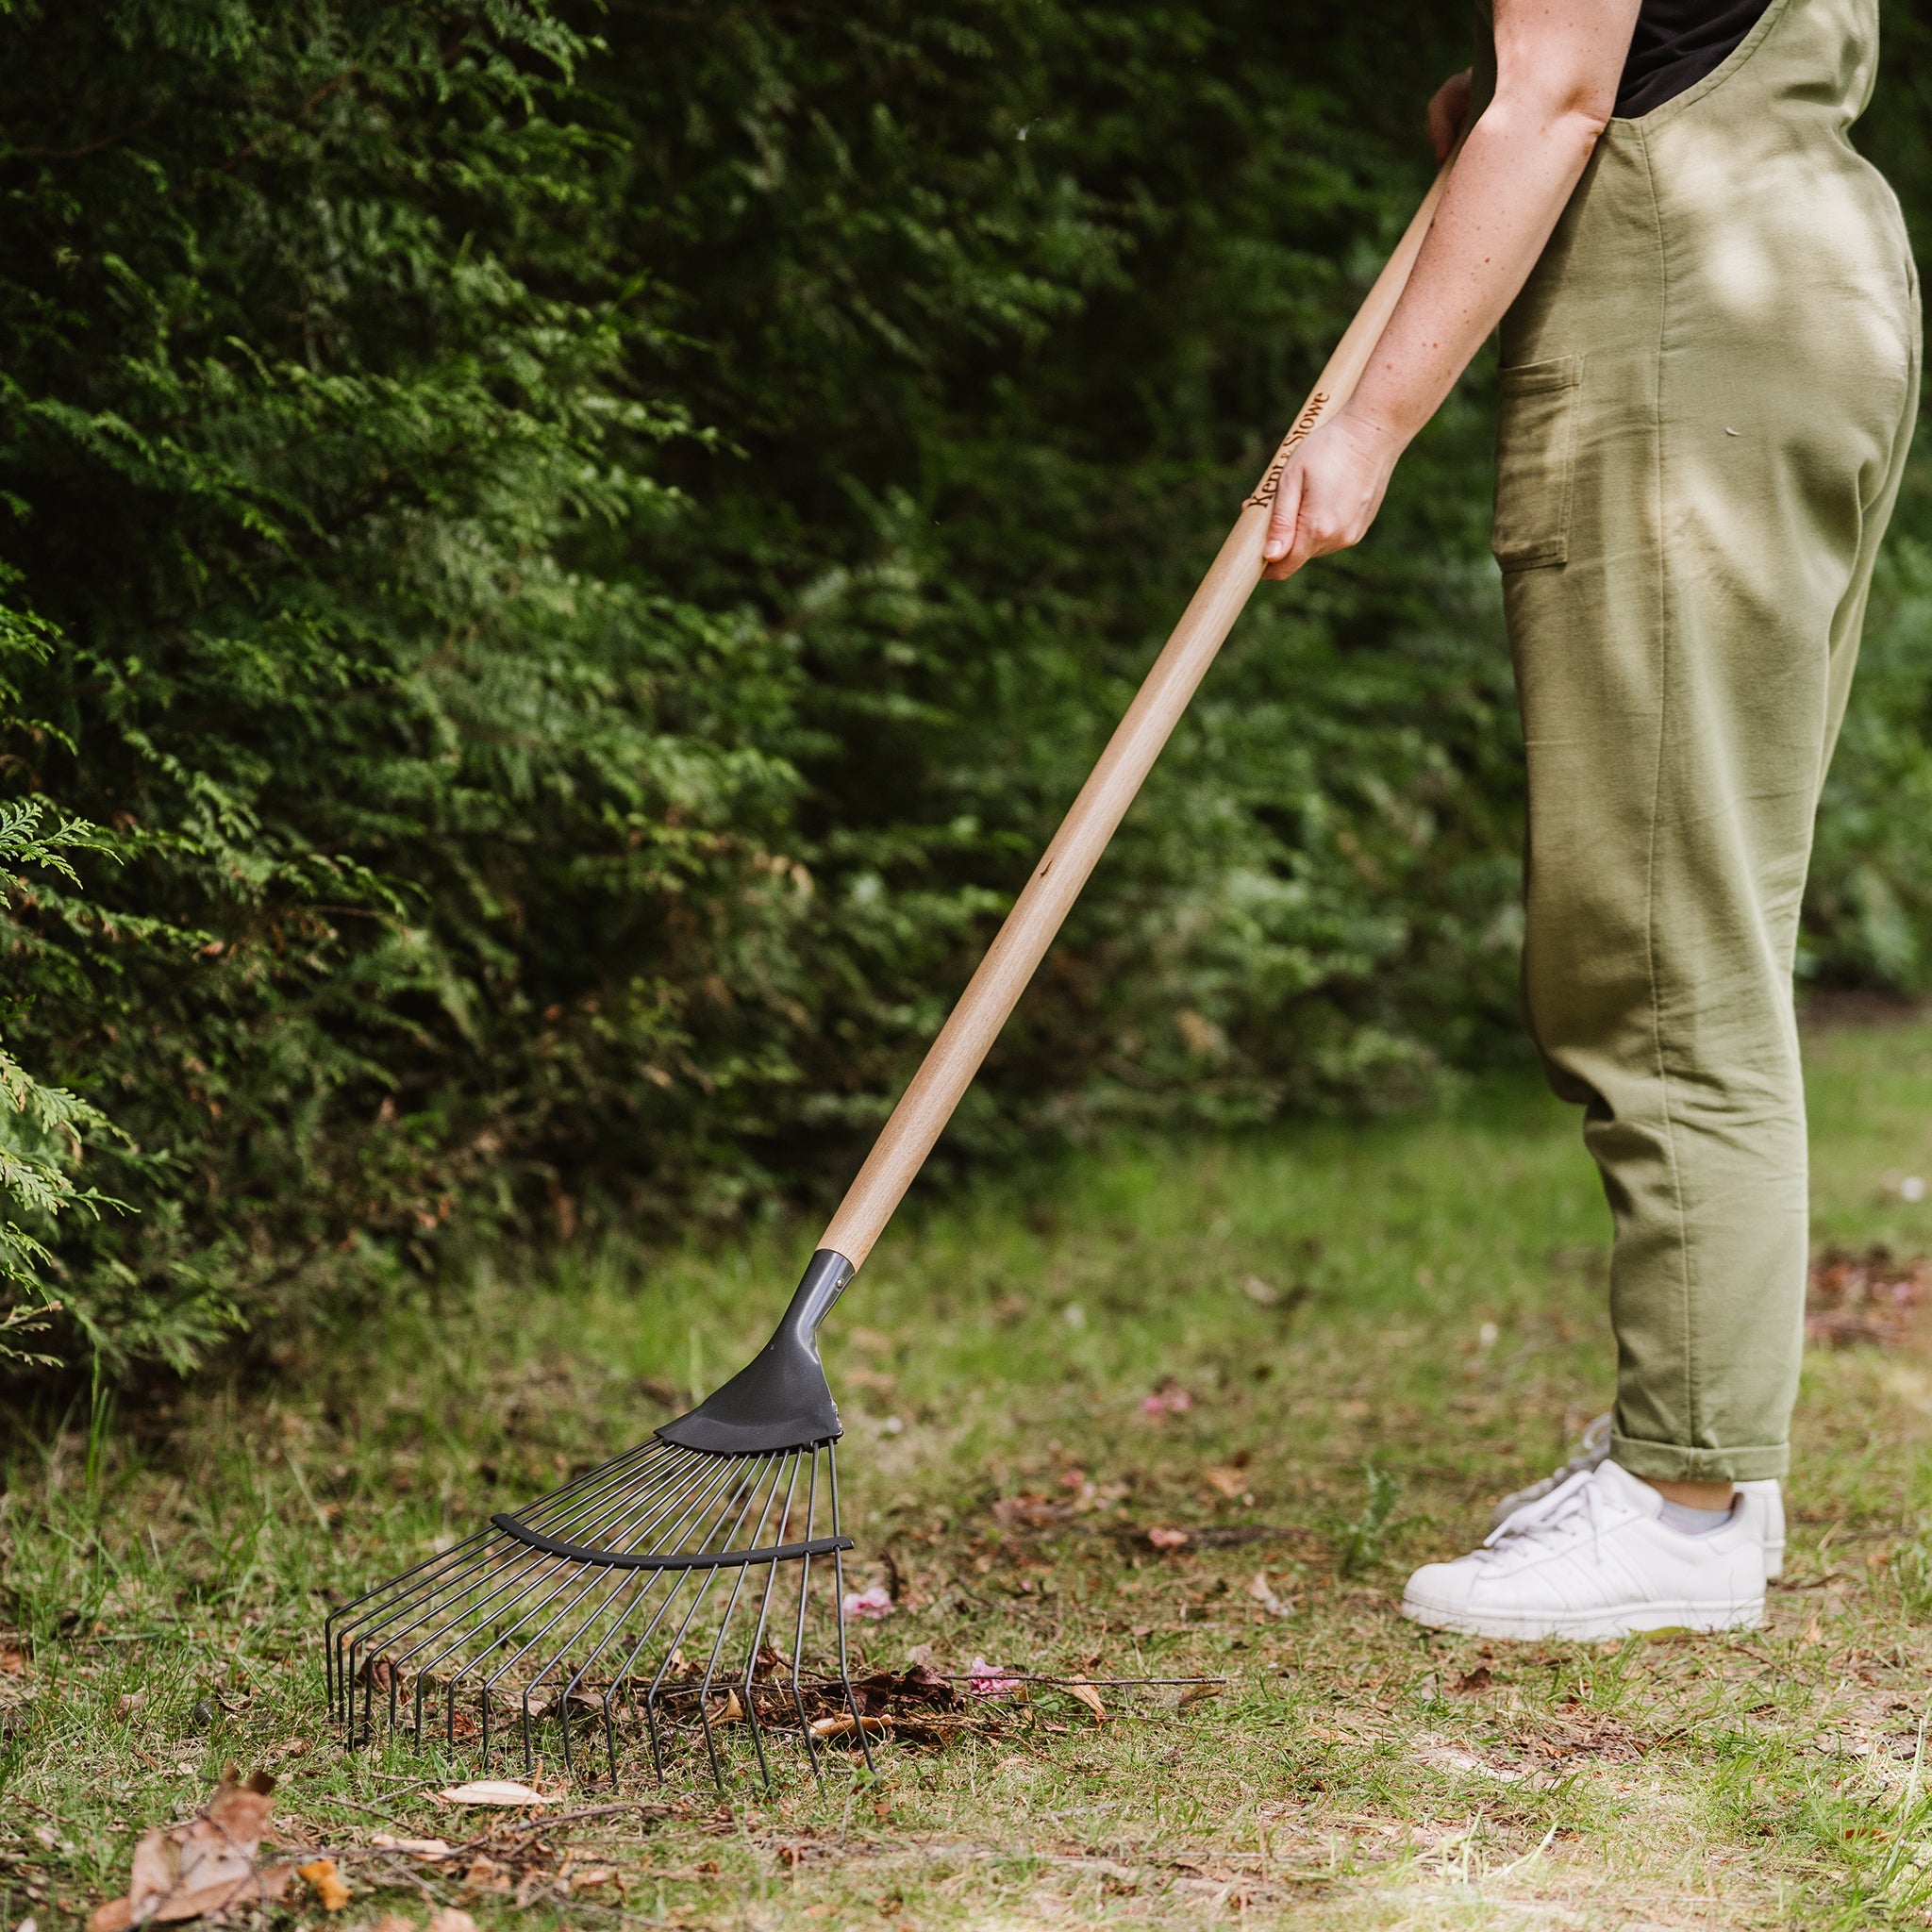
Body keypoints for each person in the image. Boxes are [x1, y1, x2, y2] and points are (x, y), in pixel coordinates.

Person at [1260, 0, 1919, 1639]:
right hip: (1808, 279)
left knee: (1661, 942)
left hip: (1691, 316)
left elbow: (1558, 96)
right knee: (1712, 911)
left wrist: (1364, 427)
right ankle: (1708, 1456)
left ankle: (1685, 1508)